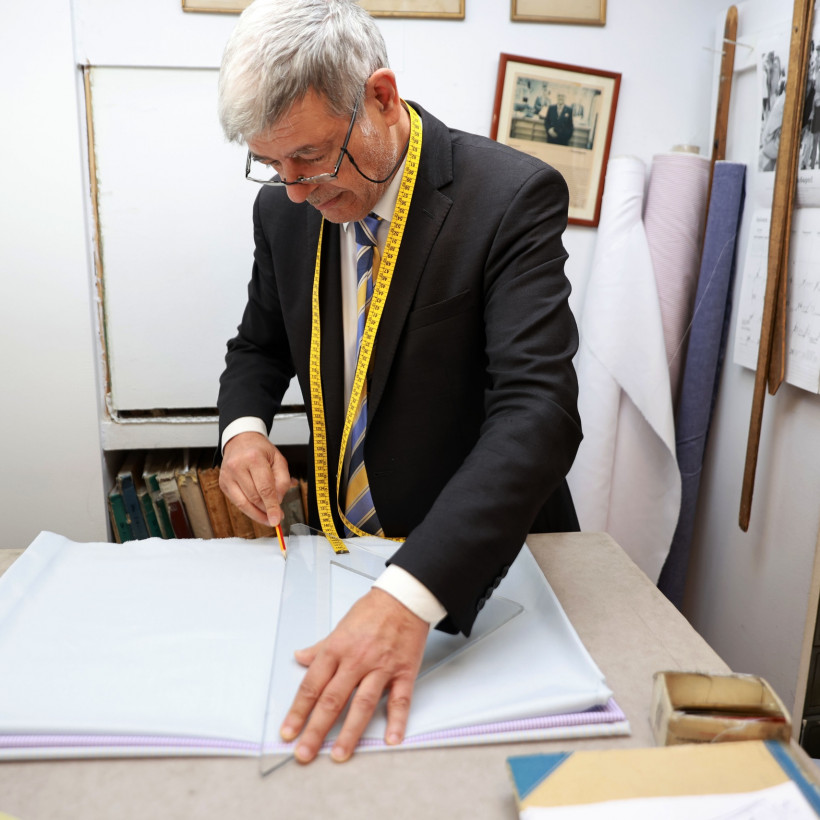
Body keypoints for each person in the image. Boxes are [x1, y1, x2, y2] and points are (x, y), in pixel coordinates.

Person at [215, 0, 581, 764]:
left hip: (483, 563)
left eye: (310, 157)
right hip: (342, 555)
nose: (295, 189)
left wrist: (410, 594)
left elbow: (537, 412)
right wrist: (243, 433)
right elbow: (259, 345)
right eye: (273, 164)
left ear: (381, 97)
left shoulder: (510, 197)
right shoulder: (281, 210)